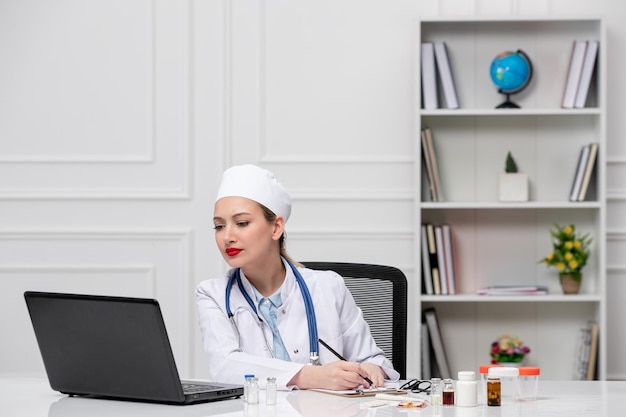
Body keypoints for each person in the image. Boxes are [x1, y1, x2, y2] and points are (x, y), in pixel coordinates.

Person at [196, 164, 399, 391]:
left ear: (276, 228)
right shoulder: (212, 294)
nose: (227, 236)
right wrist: (311, 376)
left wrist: (372, 368)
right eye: (219, 226)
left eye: (241, 223)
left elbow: (372, 359)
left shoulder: (329, 287)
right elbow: (225, 367)